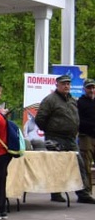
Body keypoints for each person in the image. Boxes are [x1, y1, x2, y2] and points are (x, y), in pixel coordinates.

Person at [36, 74, 86, 202]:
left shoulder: (72, 100)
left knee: (79, 164)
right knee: (56, 165)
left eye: (68, 84)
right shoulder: (50, 100)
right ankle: (56, 193)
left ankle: (83, 194)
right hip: (55, 137)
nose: (66, 86)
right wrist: (50, 130)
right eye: (63, 84)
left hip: (71, 138)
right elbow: (40, 118)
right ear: (57, 85)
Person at [79, 78, 95, 204]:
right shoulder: (80, 102)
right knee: (86, 166)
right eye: (89, 88)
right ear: (84, 89)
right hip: (86, 137)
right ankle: (87, 192)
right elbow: (77, 120)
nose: (92, 90)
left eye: (93, 87)